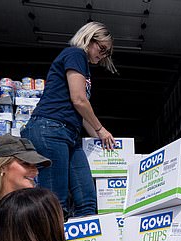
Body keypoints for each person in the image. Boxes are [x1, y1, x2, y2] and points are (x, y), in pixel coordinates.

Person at [22, 21, 117, 218]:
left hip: (69, 135)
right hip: (50, 130)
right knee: (55, 202)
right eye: (102, 48)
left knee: (87, 200)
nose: (103, 55)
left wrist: (103, 138)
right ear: (89, 38)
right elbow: (79, 100)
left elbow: (80, 112)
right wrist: (100, 129)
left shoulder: (83, 65)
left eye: (107, 53)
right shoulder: (76, 54)